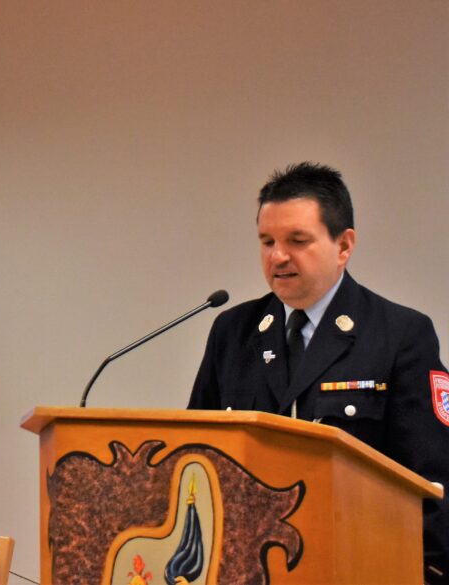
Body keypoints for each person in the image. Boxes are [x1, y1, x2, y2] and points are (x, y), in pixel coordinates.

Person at [188, 161, 449, 583]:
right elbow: (195, 453)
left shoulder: (399, 334)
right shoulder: (233, 332)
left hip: (359, 567)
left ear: (344, 245)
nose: (278, 256)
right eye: (267, 241)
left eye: (297, 240)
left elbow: (434, 483)